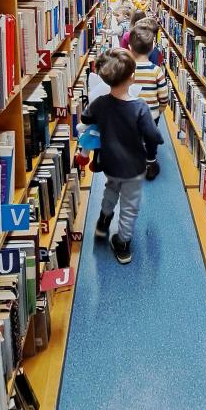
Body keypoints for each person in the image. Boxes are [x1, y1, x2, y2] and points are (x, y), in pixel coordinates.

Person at [82, 48, 163, 264]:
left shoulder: (100, 103)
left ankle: (103, 221)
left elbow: (85, 118)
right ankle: (123, 244)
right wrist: (152, 154)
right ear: (132, 77)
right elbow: (152, 135)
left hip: (110, 163)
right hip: (134, 167)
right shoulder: (140, 107)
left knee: (111, 189)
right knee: (129, 206)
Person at [129, 24, 169, 127]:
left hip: (130, 115)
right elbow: (164, 97)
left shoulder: (127, 69)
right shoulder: (156, 71)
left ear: (130, 48)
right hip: (151, 116)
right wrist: (159, 111)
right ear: (152, 48)